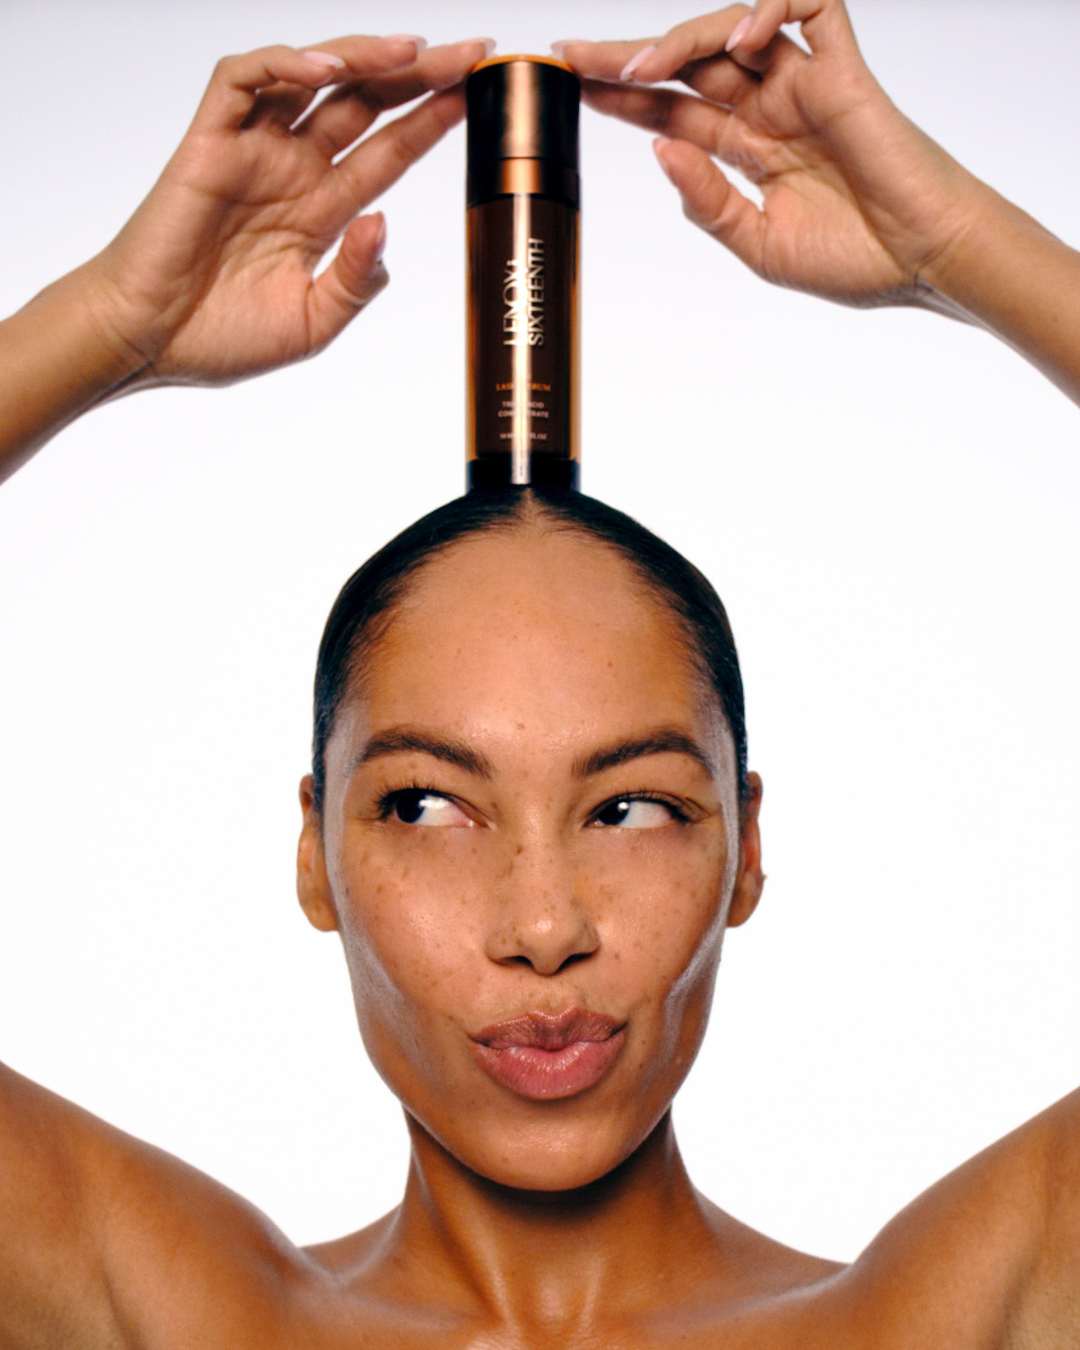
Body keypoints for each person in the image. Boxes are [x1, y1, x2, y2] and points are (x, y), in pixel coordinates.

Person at [1, 2, 1077, 1345]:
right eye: (428, 805)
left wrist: (960, 247)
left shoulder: (939, 1319)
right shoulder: (177, 1315)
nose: (544, 923)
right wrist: (109, 320)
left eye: (631, 804)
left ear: (746, 844)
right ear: (313, 851)